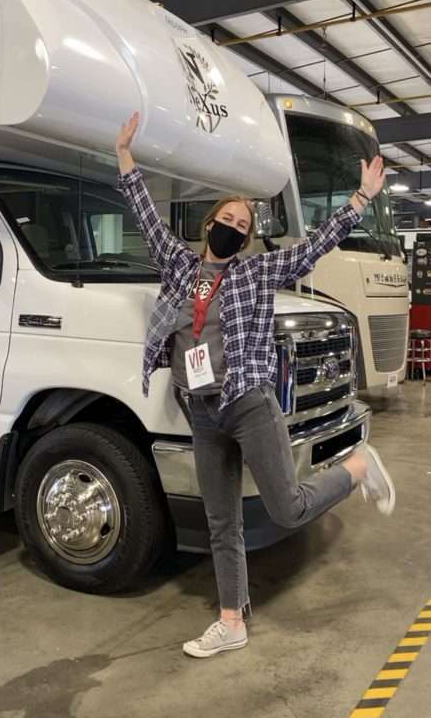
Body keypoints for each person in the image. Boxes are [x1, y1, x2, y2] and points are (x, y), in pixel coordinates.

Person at [116, 112, 395, 659]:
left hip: (247, 404)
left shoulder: (256, 273)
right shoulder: (179, 266)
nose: (234, 228)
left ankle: (359, 467)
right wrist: (125, 155)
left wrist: (360, 200)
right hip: (201, 412)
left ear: (247, 237)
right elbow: (146, 216)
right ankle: (231, 622)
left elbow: (314, 248)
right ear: (208, 222)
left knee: (286, 508)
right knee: (223, 523)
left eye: (243, 225)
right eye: (227, 217)